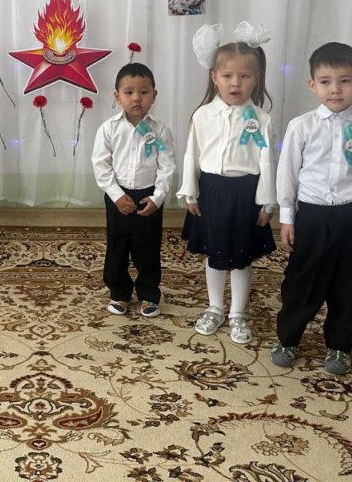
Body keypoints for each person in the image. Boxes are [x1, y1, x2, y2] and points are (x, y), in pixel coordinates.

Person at [271, 43, 352, 375]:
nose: (335, 89)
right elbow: (288, 173)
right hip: (312, 216)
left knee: (350, 285)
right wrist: (287, 216)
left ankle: (339, 345)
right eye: (325, 81)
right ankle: (288, 338)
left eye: (345, 81)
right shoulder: (301, 126)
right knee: (301, 280)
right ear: (312, 85)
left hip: (351, 217)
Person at [178, 22, 276, 345]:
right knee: (215, 252)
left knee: (241, 255)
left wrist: (267, 201)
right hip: (213, 192)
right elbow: (192, 154)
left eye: (244, 76)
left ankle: (238, 313)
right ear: (214, 77)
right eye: (228, 76)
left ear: (255, 78)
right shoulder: (202, 116)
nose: (236, 83)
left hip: (246, 194)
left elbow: (266, 161)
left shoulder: (261, 120)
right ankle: (215, 307)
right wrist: (190, 192)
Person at [92, 63, 176, 318]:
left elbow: (167, 166)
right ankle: (119, 292)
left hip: (148, 197)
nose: (136, 98)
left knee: (147, 247)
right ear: (117, 96)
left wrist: (158, 197)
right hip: (118, 196)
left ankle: (149, 293)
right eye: (129, 92)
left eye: (144, 92)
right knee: (117, 245)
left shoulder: (160, 130)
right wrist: (117, 196)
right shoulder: (108, 128)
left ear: (154, 95)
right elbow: (101, 165)